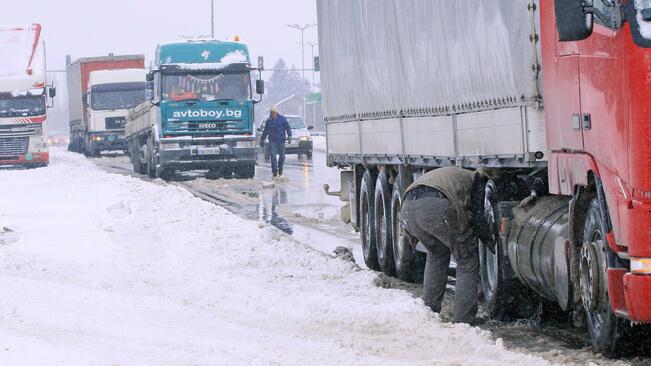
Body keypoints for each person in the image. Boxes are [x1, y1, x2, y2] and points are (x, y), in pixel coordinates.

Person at [400, 166, 484, 324]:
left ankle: (430, 311)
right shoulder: (477, 179)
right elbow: (480, 215)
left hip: (408, 207)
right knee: (466, 260)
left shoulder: (451, 174)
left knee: (436, 256)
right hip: (436, 206)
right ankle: (463, 320)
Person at [260, 105, 292, 178]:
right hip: (273, 141)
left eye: (274, 112)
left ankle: (280, 169)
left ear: (276, 112)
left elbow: (288, 127)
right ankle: (274, 172)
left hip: (281, 140)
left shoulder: (283, 119)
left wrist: (289, 135)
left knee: (282, 157)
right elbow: (265, 131)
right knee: (273, 157)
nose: (273, 114)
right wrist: (262, 139)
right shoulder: (268, 121)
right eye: (271, 112)